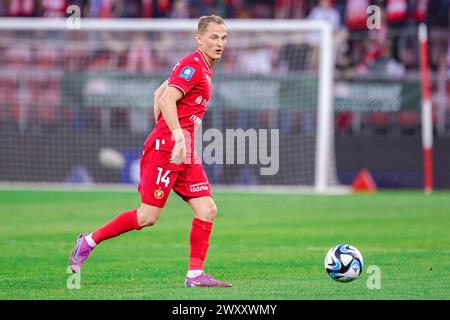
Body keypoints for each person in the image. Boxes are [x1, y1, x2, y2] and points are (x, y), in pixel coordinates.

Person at [69, 15, 231, 288]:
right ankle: (88, 241)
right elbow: (167, 97)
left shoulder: (203, 67)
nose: (220, 43)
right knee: (147, 217)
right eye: (214, 37)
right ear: (199, 39)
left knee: (207, 209)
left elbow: (158, 93)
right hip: (168, 149)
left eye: (224, 37)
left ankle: (194, 275)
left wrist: (176, 133)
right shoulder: (193, 65)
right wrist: (174, 135)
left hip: (184, 149)